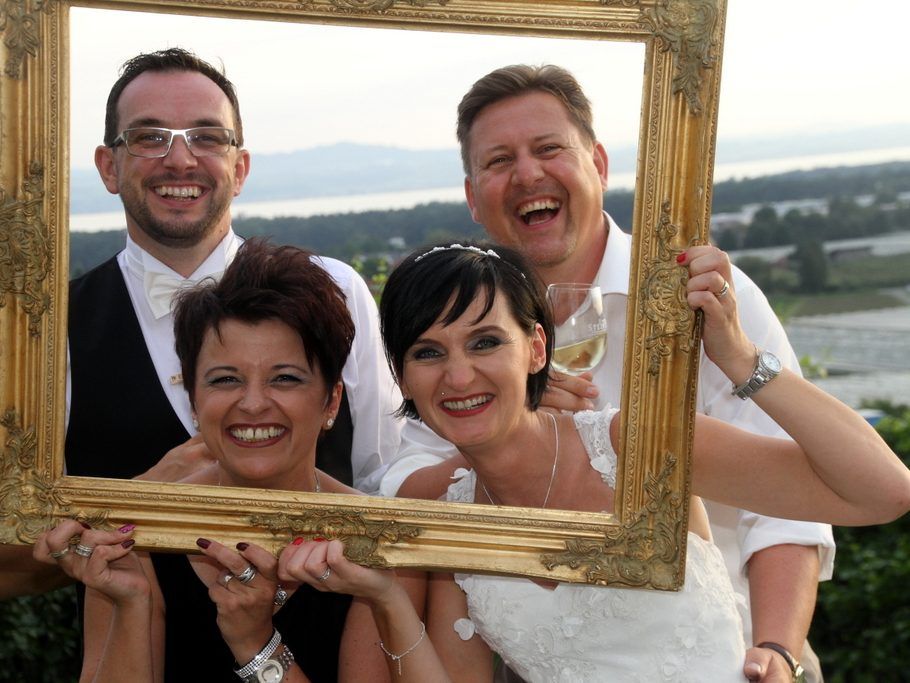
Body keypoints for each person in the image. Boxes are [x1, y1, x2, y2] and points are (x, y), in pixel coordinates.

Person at [381, 64, 835, 681]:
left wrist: (778, 649)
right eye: (498, 161)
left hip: (739, 648)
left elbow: (787, 502)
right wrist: (513, 435)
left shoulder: (700, 296)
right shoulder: (454, 336)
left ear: (597, 163)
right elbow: (404, 482)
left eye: (548, 149)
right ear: (471, 194)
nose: (527, 175)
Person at [283, 240, 910, 682]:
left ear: (534, 349)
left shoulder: (637, 447)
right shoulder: (445, 512)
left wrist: (743, 359)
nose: (458, 375)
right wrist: (389, 601)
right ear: (402, 377)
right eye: (427, 353)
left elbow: (882, 491)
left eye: (485, 341)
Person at [1, 47, 403, 599]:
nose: (180, 160)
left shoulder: (338, 290)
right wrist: (134, 504)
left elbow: (385, 491)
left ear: (239, 168)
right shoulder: (41, 331)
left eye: (206, 137)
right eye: (149, 137)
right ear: (108, 167)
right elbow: (11, 557)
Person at [33, 239, 414, 682]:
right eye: (226, 379)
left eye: (285, 378)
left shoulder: (378, 543)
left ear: (331, 401)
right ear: (194, 401)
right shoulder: (137, 533)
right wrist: (133, 605)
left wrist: (256, 643)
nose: (252, 404)